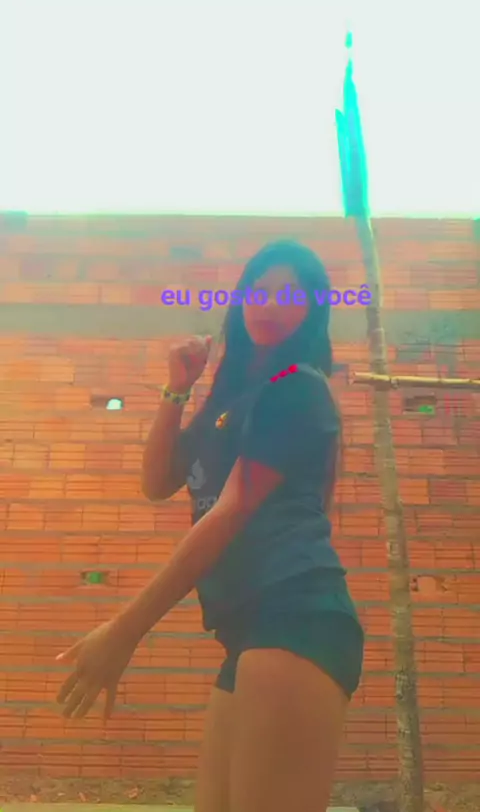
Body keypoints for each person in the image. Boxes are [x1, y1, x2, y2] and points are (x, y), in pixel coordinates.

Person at [56, 239, 364, 812]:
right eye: (259, 291)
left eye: (291, 295)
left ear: (313, 311)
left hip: (296, 615)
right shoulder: (234, 400)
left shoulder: (297, 387)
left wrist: (125, 630)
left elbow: (229, 512)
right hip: (245, 630)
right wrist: (178, 387)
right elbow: (157, 483)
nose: (271, 304)